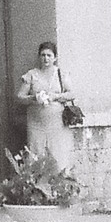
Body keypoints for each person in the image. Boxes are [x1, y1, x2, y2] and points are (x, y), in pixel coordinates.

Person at [15, 41, 77, 169]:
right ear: (39, 57)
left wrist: (56, 96)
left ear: (55, 58)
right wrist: (34, 98)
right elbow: (20, 97)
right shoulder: (32, 75)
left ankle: (58, 186)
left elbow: (72, 94)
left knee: (58, 158)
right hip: (36, 125)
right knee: (36, 157)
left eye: (49, 55)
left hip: (57, 126)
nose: (46, 58)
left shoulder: (60, 74)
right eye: (43, 55)